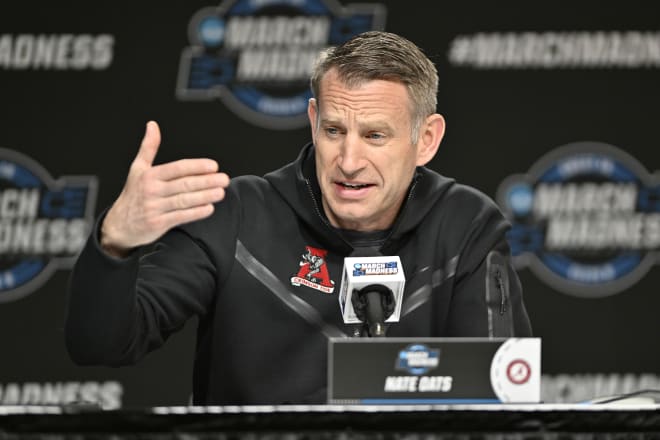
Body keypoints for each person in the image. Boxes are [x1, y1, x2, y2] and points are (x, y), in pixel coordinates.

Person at [65, 31, 532, 405]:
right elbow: (101, 345)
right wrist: (114, 244)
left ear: (426, 139)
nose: (348, 160)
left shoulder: (465, 224)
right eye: (334, 130)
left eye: (374, 135)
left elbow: (501, 390)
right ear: (313, 121)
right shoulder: (236, 215)